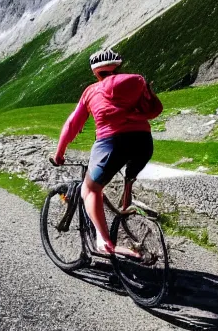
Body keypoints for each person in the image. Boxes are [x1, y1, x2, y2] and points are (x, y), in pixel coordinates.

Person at [52, 48, 163, 259]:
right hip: (143, 141)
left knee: (90, 189)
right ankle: (127, 194)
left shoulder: (92, 91)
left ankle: (103, 241)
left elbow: (73, 124)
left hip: (111, 143)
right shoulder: (134, 85)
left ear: (96, 72)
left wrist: (59, 153)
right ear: (118, 67)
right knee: (129, 167)